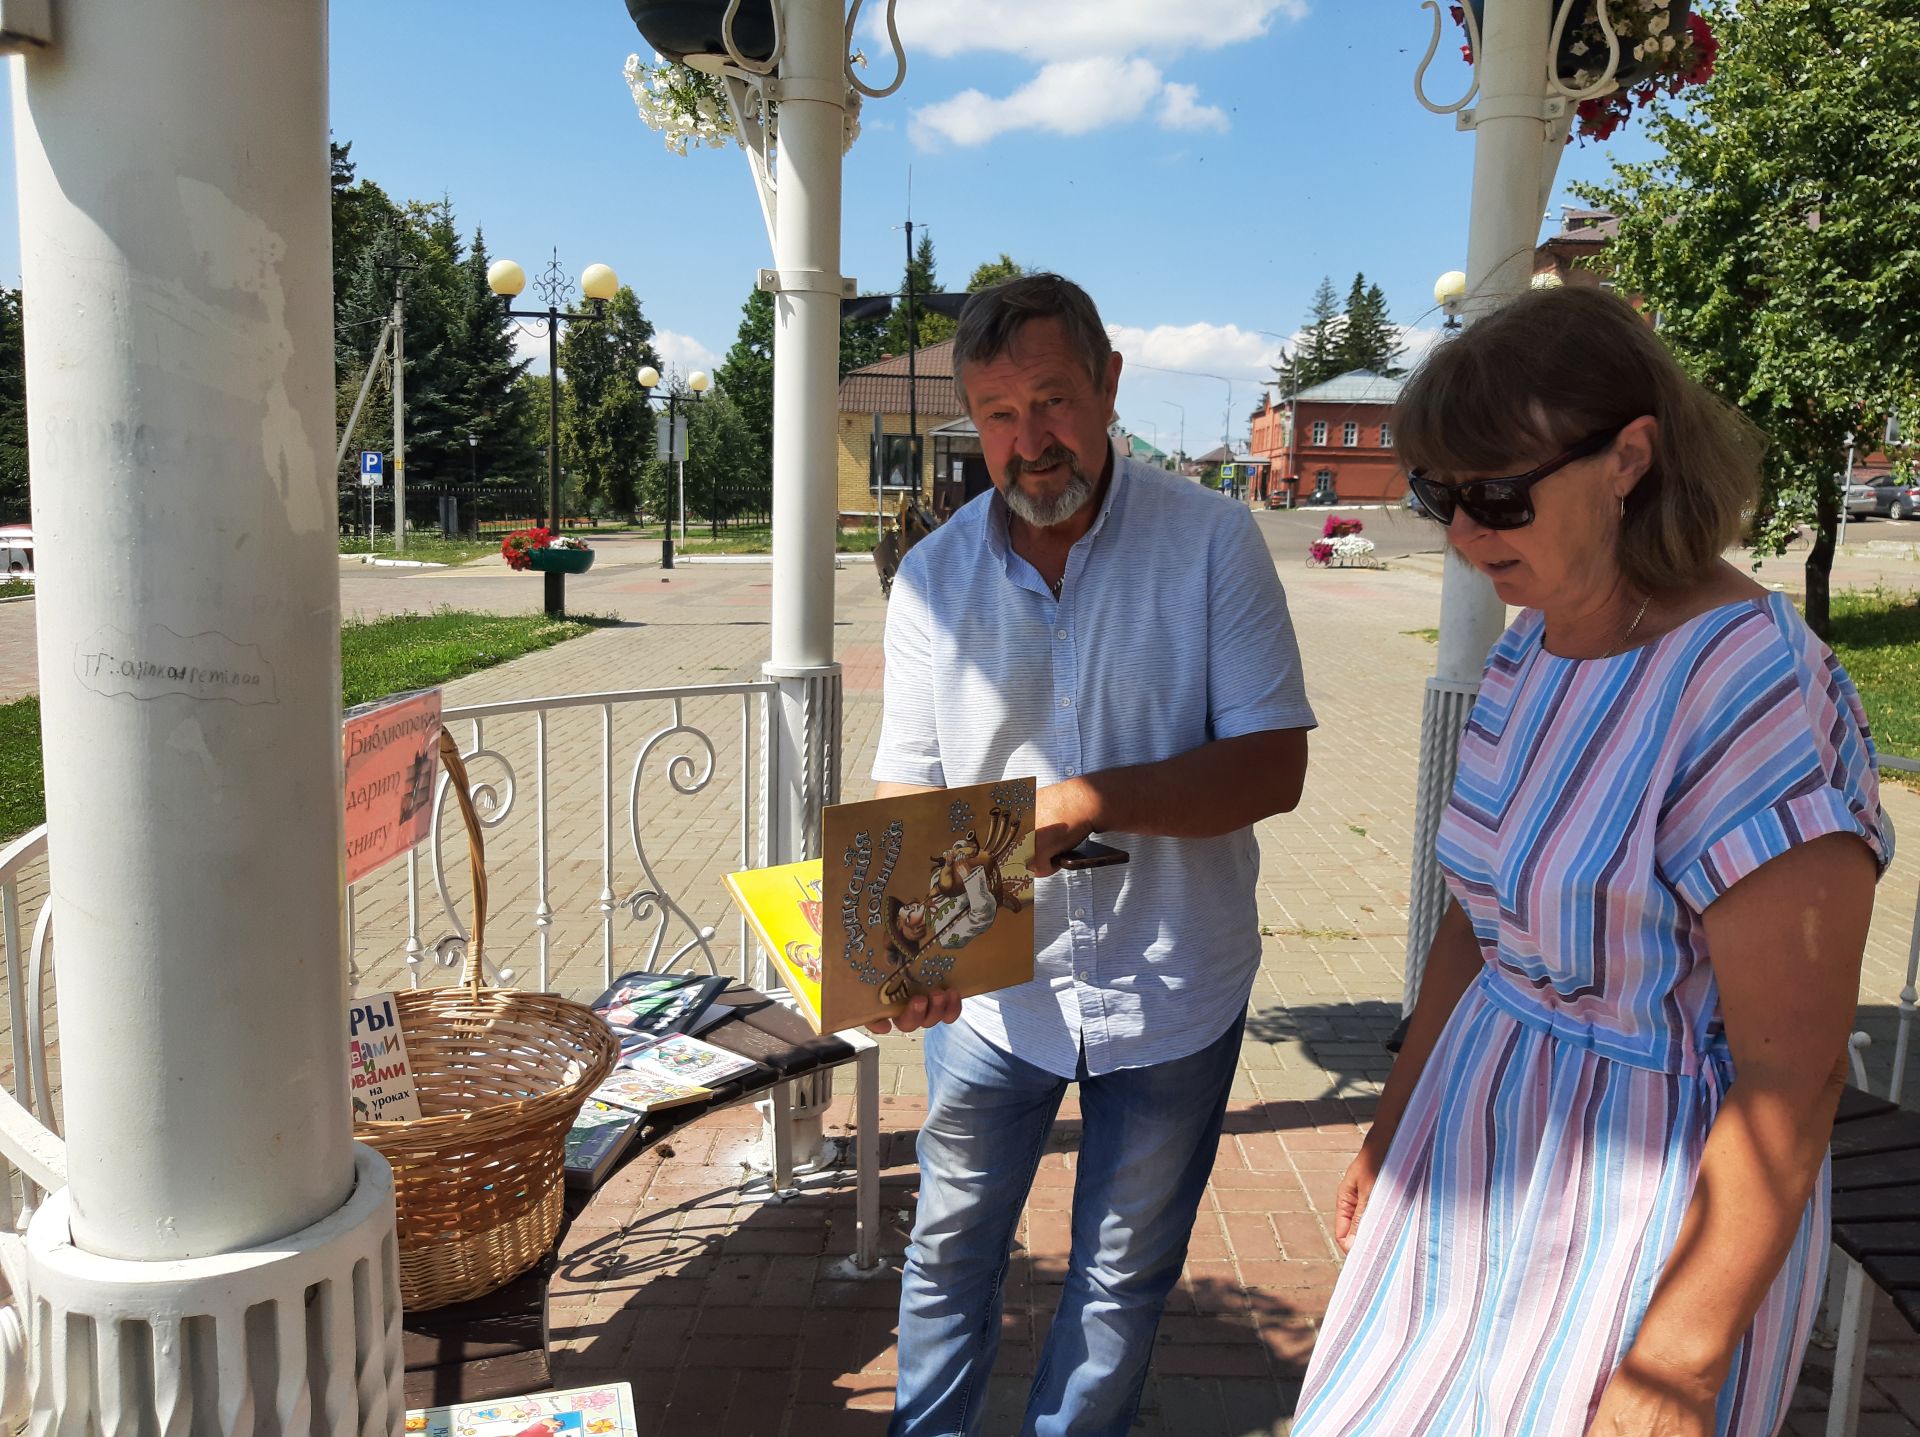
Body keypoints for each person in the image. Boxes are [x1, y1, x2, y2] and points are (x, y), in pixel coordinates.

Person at [1292, 285, 1890, 1437]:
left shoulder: (1749, 685)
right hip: (1473, 1142)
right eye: (1439, 495)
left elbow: (1793, 1076)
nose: (1463, 536)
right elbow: (1476, 921)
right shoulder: (1534, 649)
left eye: (1497, 495)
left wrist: (1676, 1366)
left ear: (1628, 459)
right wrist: (1395, 1122)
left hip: (1639, 1197)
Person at [871, 272, 1316, 1437]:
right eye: (999, 414)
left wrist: (1084, 799)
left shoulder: (1214, 541)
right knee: (948, 1255)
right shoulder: (932, 578)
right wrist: (890, 947)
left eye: (1053, 401)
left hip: (1174, 982)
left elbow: (1276, 767)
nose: (1028, 442)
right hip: (990, 995)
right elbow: (906, 782)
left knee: (1118, 1284)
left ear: (1111, 386)